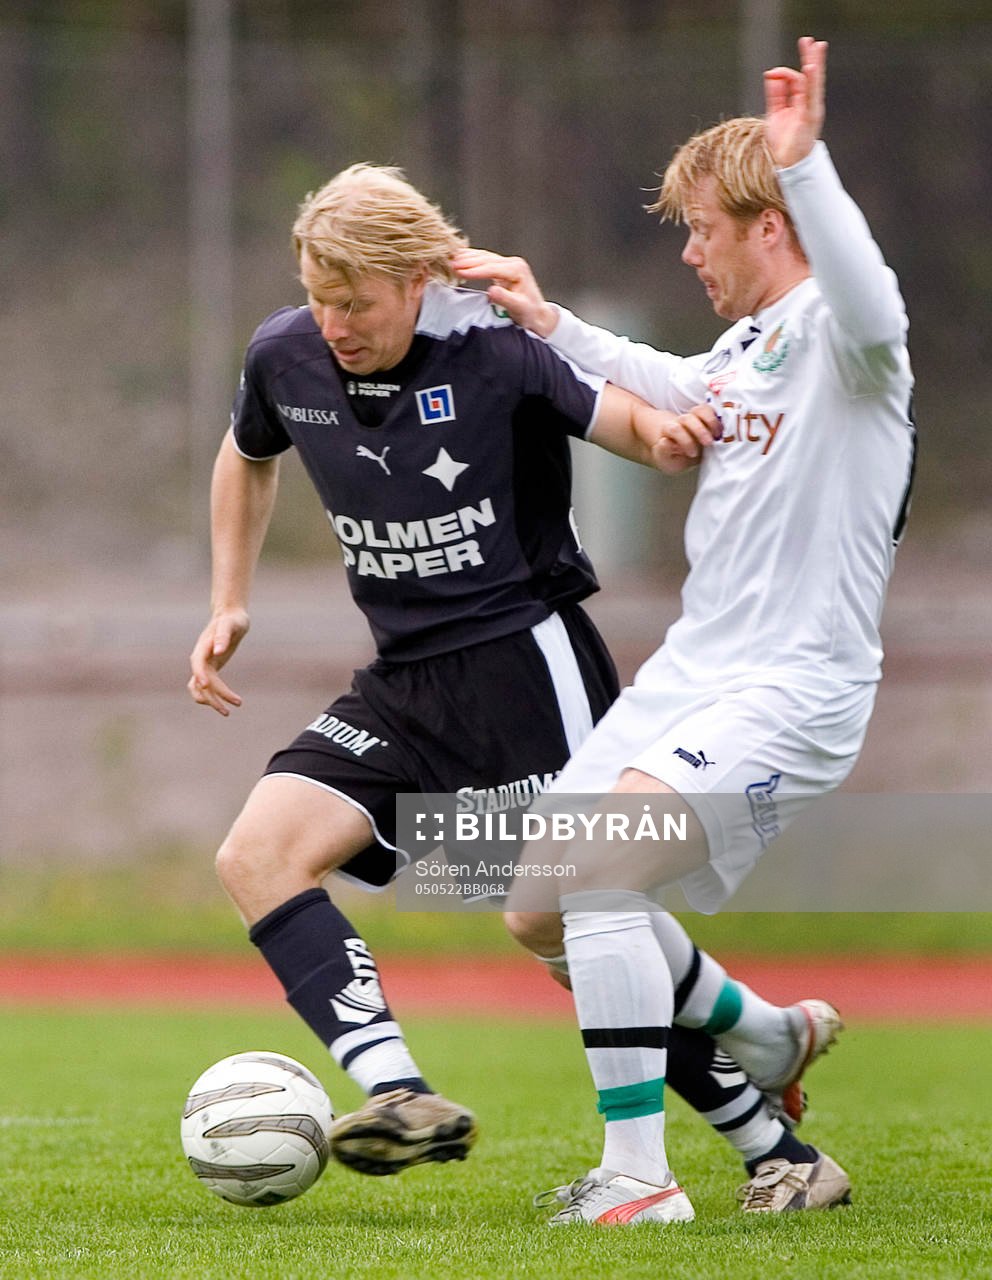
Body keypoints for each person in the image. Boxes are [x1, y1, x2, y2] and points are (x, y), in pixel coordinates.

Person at [187, 160, 842, 1192]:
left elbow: (620, 418)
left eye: (355, 302)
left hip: (524, 670)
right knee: (256, 854)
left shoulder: (492, 351)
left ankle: (776, 1140)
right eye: (319, 298)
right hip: (403, 682)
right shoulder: (285, 355)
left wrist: (664, 438)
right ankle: (399, 1090)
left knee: (572, 920)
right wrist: (230, 597)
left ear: (416, 281)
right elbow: (245, 453)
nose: (334, 323)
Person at [455, 35, 914, 1223]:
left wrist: (804, 165)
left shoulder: (845, 345)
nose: (687, 246)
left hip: (790, 689)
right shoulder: (749, 347)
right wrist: (543, 318)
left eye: (703, 225)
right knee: (536, 902)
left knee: (603, 868)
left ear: (769, 223)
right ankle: (765, 1033)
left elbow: (871, 300)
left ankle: (636, 1178)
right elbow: (668, 382)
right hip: (695, 676)